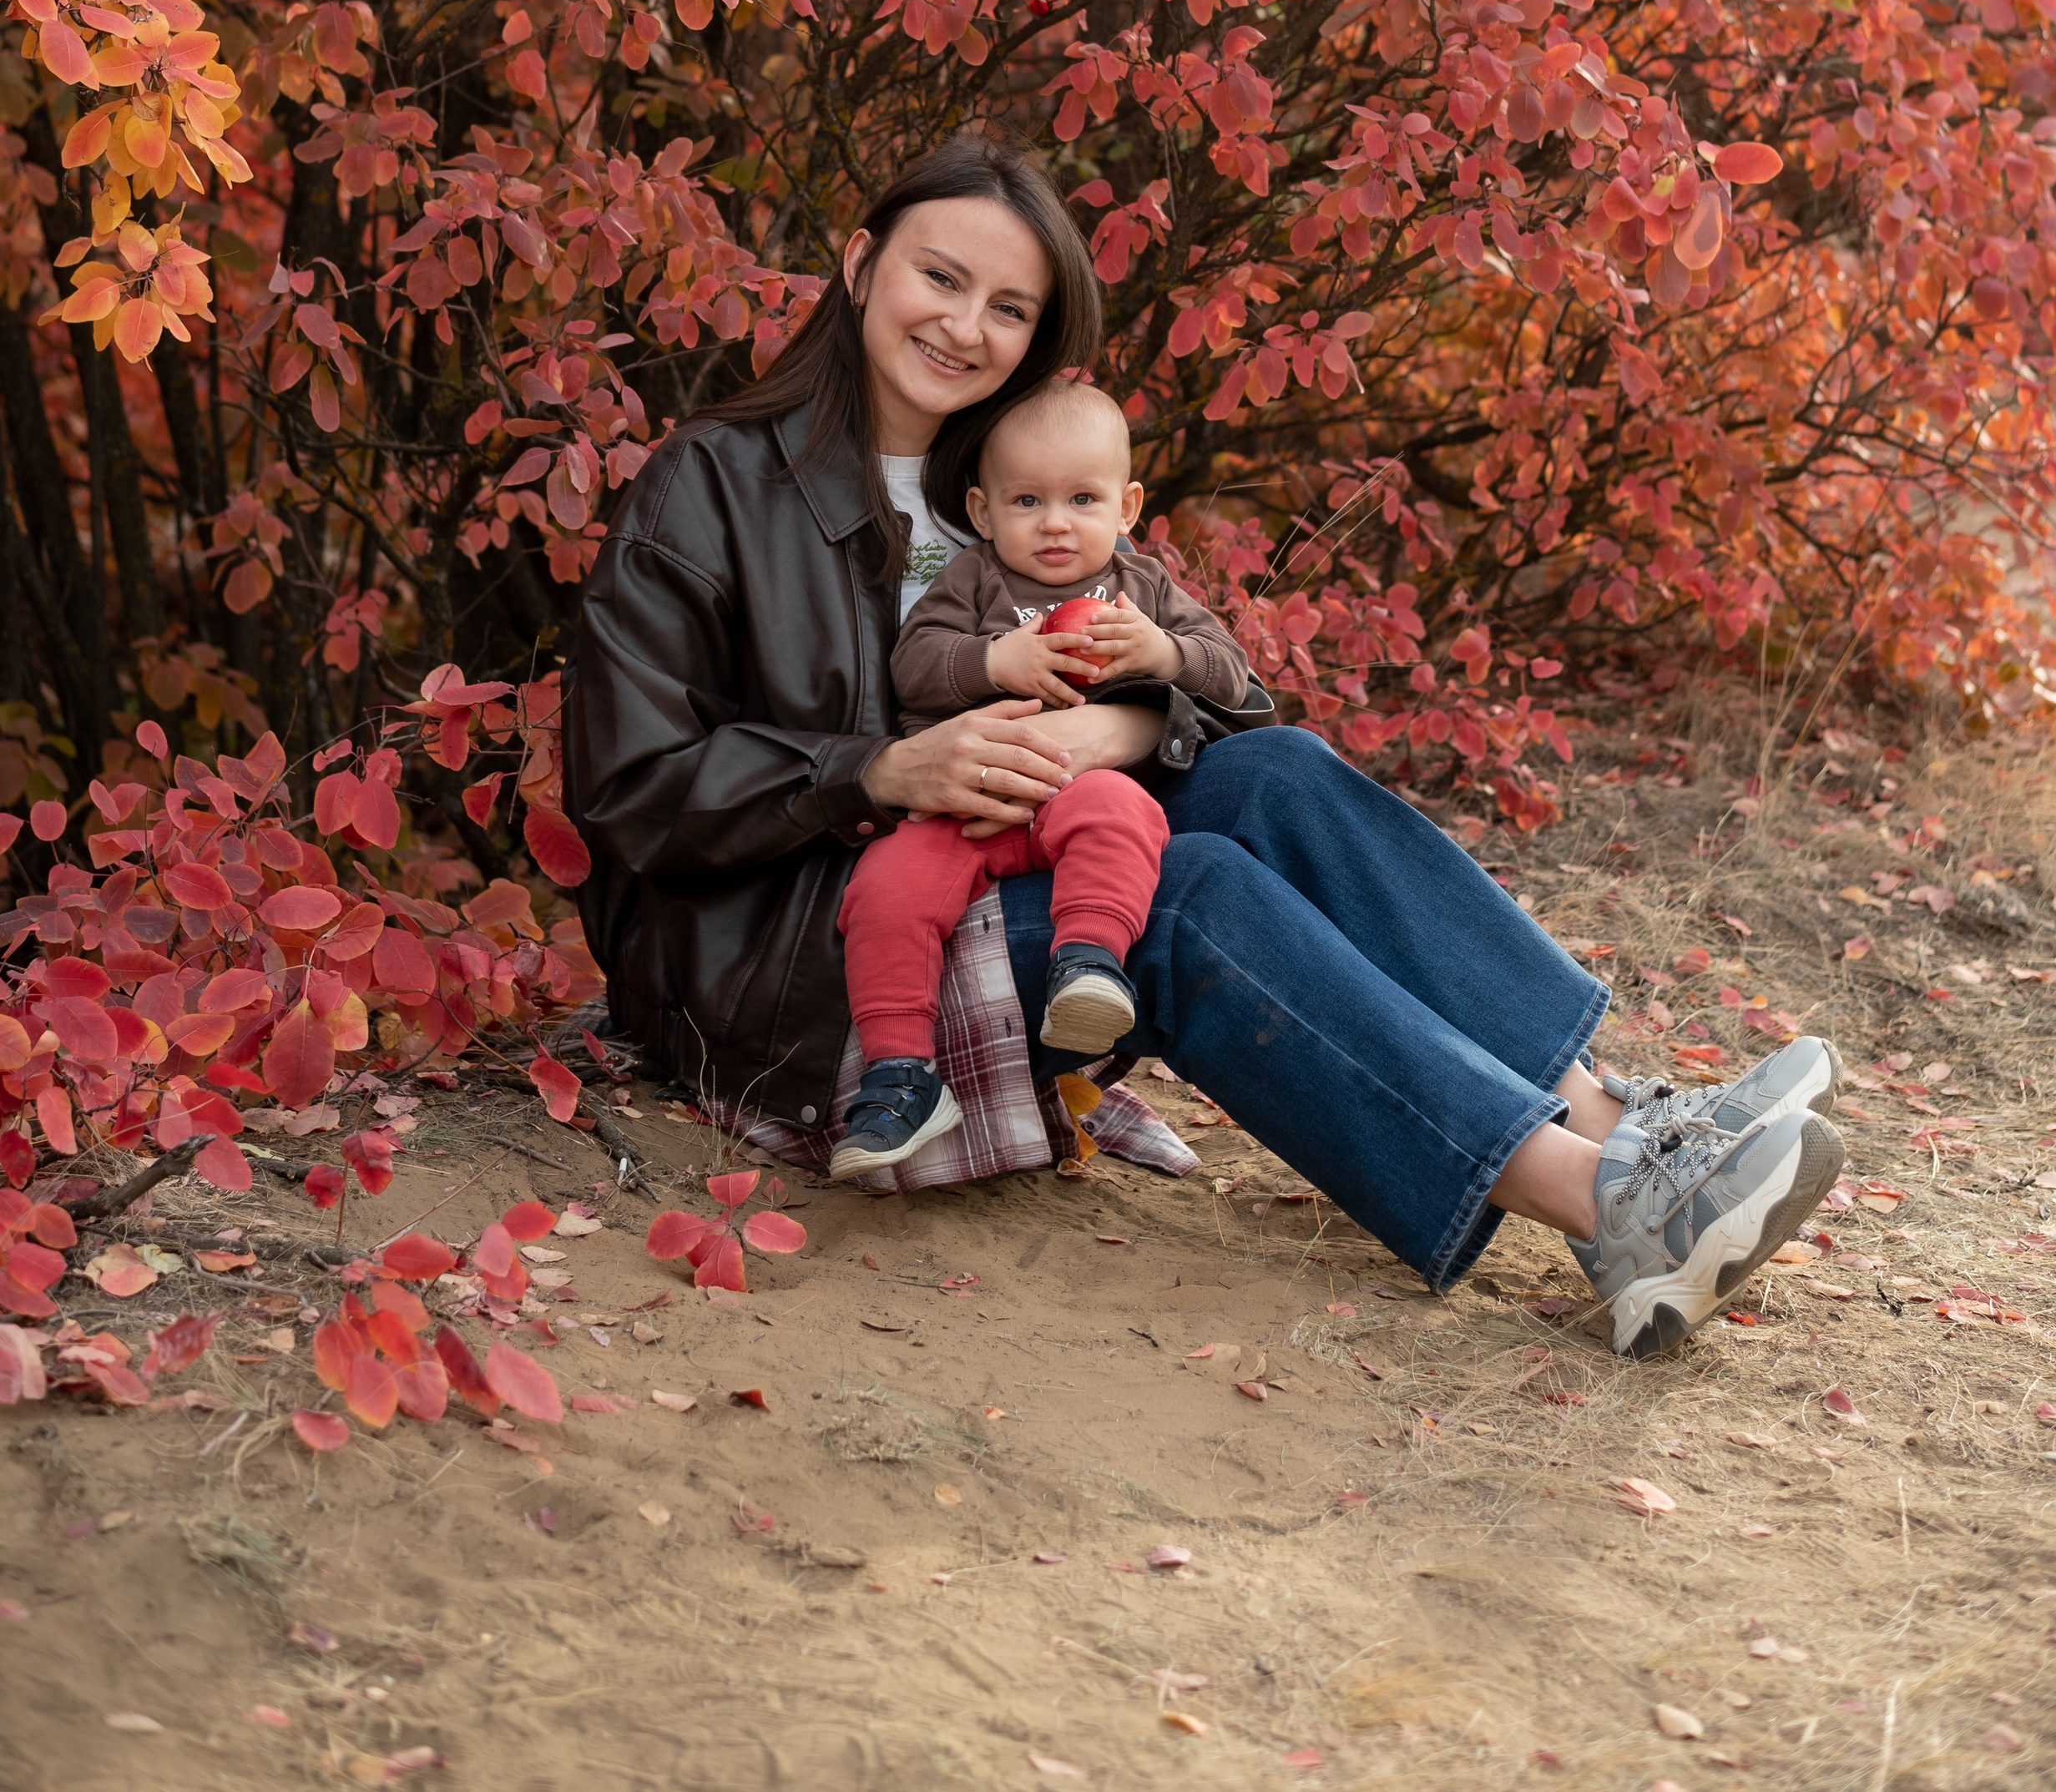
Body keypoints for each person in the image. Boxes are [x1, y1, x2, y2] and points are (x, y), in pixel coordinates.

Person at [564, 139, 1843, 1359]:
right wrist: (877, 770)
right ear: (860, 264)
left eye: (1008, 307)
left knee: (1279, 775)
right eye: (939, 277)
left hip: (1018, 855)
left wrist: (1121, 723)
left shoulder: (1019, 473)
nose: (964, 326)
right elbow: (628, 787)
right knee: (1186, 895)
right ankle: (1600, 1205)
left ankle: (1626, 1127)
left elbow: (1226, 700)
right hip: (803, 959)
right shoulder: (714, 483)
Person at [828, 376, 1255, 1180]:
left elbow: (1233, 673)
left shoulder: (1142, 588)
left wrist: (1163, 651)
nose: (1055, 522)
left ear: (1127, 506)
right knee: (884, 885)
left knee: (1122, 810)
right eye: (1026, 500)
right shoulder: (974, 579)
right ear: (984, 511)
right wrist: (995, 659)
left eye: (1082, 498)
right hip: (967, 806)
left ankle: (1087, 965)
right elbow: (912, 665)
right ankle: (899, 1073)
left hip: (1077, 794)